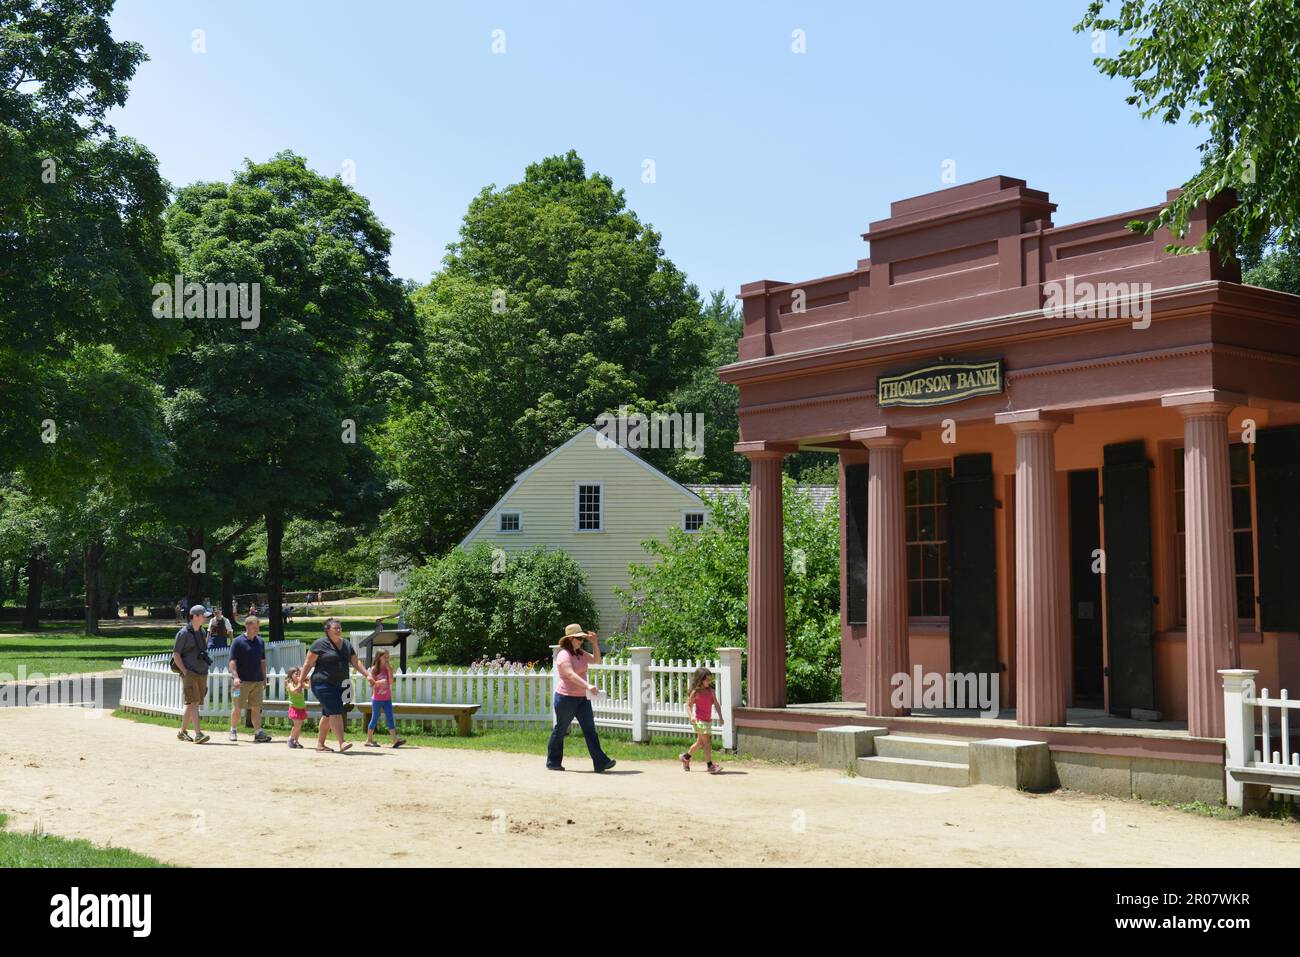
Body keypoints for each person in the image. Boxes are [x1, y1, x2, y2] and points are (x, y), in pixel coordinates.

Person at [546, 624, 616, 773]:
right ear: (570, 639)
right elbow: (570, 674)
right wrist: (587, 685)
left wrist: (595, 643)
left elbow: (596, 660)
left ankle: (601, 763)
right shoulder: (563, 655)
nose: (581, 641)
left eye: (582, 639)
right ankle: (553, 762)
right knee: (561, 730)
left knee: (590, 730)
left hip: (582, 699)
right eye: (579, 638)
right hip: (565, 699)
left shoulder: (581, 653)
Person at [299, 617, 367, 753]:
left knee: (328, 714)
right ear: (327, 630)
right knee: (335, 711)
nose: (339, 630)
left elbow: (355, 662)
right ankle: (342, 742)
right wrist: (301, 681)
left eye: (340, 628)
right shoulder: (319, 644)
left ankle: (320, 744)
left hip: (340, 684)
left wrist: (368, 675)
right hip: (322, 683)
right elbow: (308, 663)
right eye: (335, 628)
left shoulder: (346, 644)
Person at [171, 604, 212, 744]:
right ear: (195, 616)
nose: (205, 619)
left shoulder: (202, 632)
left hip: (201, 672)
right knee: (194, 702)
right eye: (203, 616)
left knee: (191, 703)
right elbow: (176, 654)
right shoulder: (183, 634)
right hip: (189, 673)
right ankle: (198, 734)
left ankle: (182, 732)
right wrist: (184, 671)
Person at [229, 614, 272, 743]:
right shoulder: (237, 641)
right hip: (240, 683)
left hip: (257, 681)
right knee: (237, 706)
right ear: (247, 626)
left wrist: (264, 677)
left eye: (258, 627)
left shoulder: (260, 641)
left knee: (256, 707)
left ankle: (258, 732)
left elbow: (263, 661)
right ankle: (233, 730)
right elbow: (232, 662)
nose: (257, 630)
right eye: (254, 627)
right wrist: (235, 677)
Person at [680, 667, 724, 774]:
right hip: (699, 721)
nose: (709, 682)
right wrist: (691, 716)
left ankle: (685, 757)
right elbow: (688, 706)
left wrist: (721, 717)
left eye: (710, 680)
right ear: (700, 680)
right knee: (707, 743)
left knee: (699, 743)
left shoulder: (711, 691)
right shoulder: (695, 692)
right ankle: (710, 766)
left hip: (707, 721)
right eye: (707, 680)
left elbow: (717, 704)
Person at [364, 649, 405, 749]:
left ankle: (395, 741)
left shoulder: (388, 668)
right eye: (385, 657)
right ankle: (369, 740)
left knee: (390, 718)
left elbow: (390, 682)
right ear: (379, 658)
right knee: (374, 718)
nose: (387, 659)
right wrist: (379, 682)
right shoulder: (374, 669)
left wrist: (390, 670)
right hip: (377, 699)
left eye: (388, 657)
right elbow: (371, 684)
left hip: (387, 698)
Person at [285, 667, 308, 749]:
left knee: (299, 725)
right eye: (296, 674)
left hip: (301, 707)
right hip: (294, 707)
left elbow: (308, 687)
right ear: (291, 675)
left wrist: (309, 678)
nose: (298, 676)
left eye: (299, 674)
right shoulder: (290, 684)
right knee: (297, 724)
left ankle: (296, 741)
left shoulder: (300, 683)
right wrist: (300, 684)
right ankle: (291, 739)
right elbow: (293, 690)